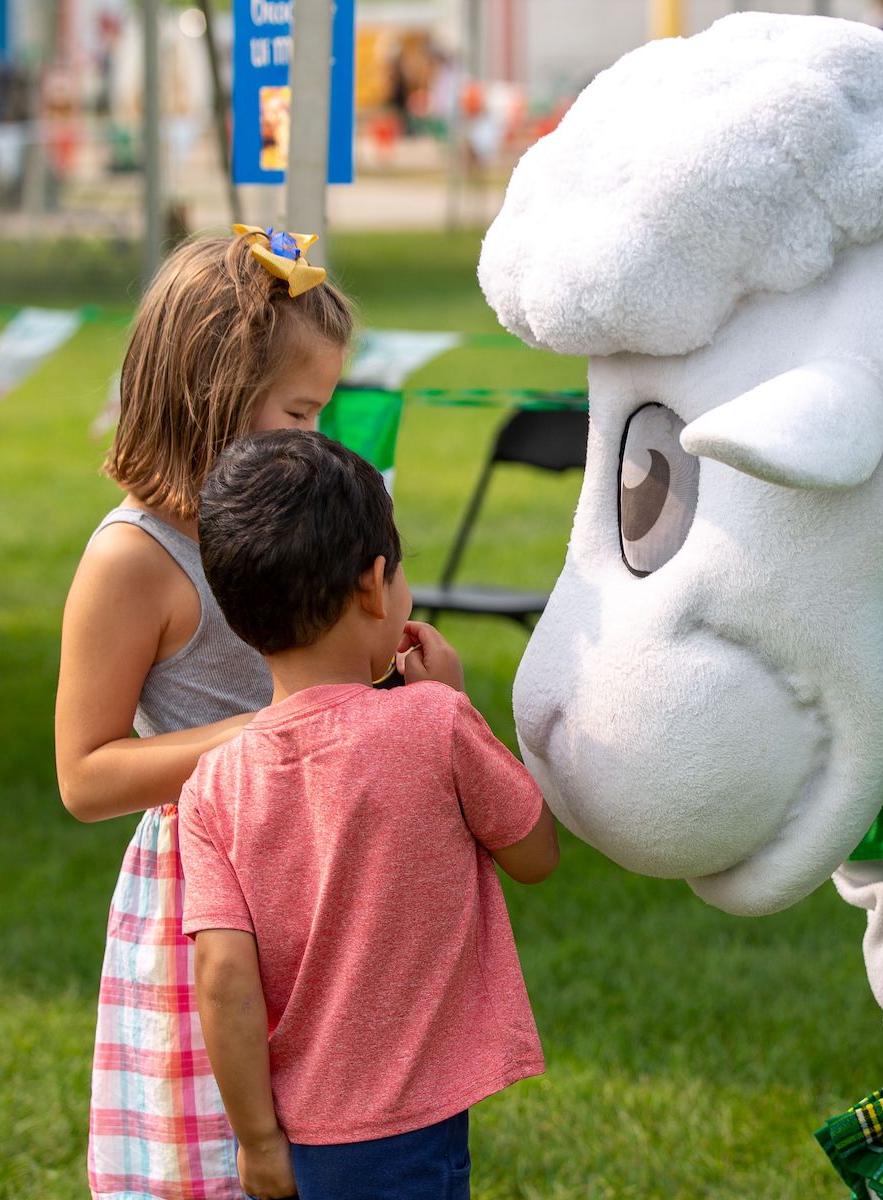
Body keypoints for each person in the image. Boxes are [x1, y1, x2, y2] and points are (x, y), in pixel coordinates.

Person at [55, 227, 353, 1200]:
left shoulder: (288, 525)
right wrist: (259, 738)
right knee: (215, 1161)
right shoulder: (134, 560)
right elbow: (85, 774)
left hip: (316, 872)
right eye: (301, 412)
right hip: (207, 897)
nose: (317, 441)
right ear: (215, 396)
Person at [181, 429, 557, 1200]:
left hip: (295, 1137)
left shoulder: (211, 785)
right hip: (411, 1132)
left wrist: (256, 1139)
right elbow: (535, 853)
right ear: (373, 586)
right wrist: (454, 703)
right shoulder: (436, 726)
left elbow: (222, 976)